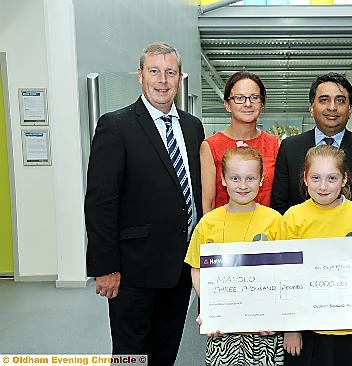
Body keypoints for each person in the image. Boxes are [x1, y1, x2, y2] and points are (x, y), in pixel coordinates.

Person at [84, 42, 204, 365]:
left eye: (170, 72)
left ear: (180, 78)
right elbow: (100, 202)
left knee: (165, 352)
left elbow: (193, 193)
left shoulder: (193, 127)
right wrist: (105, 267)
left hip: (179, 268)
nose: (162, 80)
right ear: (140, 76)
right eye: (154, 71)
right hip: (133, 271)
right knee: (131, 355)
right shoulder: (115, 126)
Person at [282, 145, 352, 366]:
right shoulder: (293, 217)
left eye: (332, 178)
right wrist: (291, 329)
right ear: (305, 178)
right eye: (316, 177)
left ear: (344, 179)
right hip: (308, 324)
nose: (323, 186)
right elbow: (284, 277)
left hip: (351, 323)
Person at [185, 146, 284, 366]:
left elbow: (285, 271)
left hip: (263, 327)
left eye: (250, 178)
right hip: (222, 326)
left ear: (261, 180)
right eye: (235, 178)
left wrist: (277, 312)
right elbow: (196, 268)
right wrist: (210, 305)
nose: (242, 185)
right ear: (223, 179)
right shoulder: (208, 223)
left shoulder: (275, 220)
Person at [270, 72, 352, 219]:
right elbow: (279, 205)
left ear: (350, 109)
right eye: (324, 100)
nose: (332, 107)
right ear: (311, 108)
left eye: (340, 101)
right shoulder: (289, 148)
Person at [201, 71, 280, 213]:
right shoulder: (211, 146)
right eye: (239, 98)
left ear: (261, 103)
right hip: (225, 229)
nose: (248, 104)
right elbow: (209, 203)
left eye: (254, 97)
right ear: (227, 104)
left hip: (265, 230)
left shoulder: (274, 144)